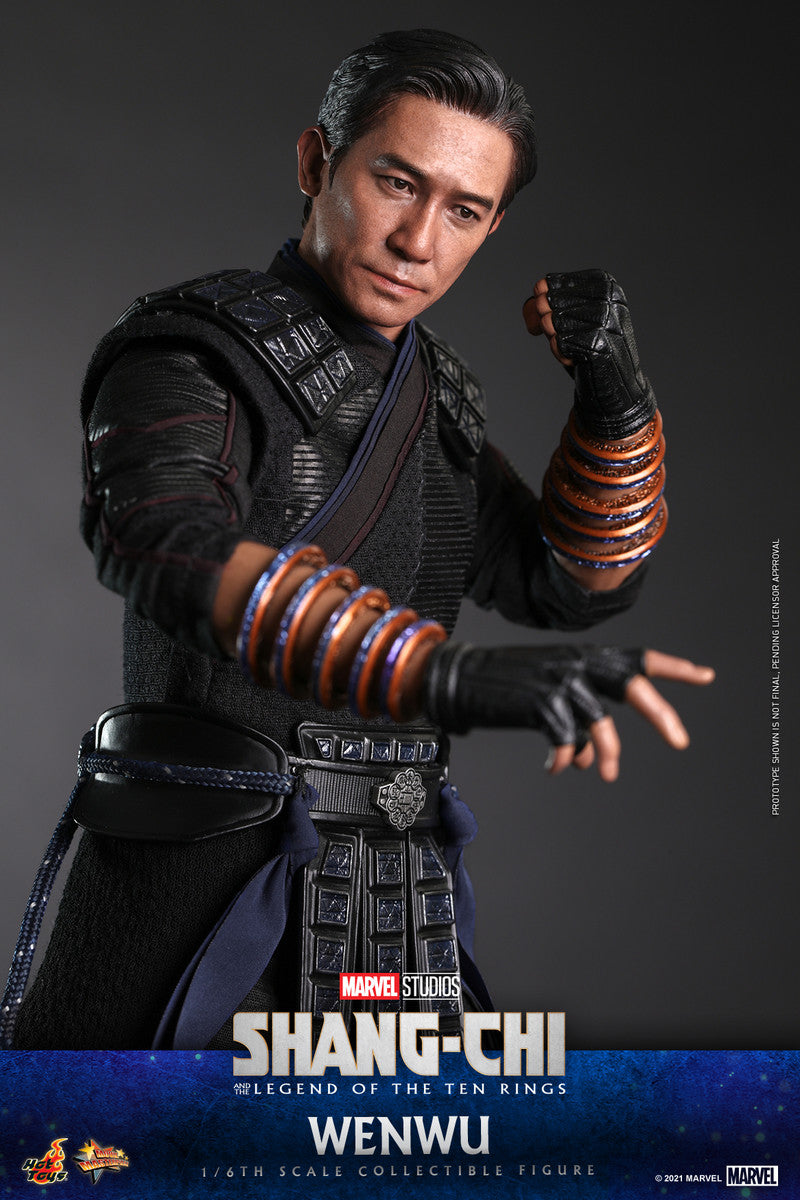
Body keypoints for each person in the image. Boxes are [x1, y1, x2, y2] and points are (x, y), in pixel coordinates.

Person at [6, 29, 712, 1051]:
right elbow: (162, 543)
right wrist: (446, 678)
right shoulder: (191, 351)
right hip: (199, 888)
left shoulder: (434, 399)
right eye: (396, 182)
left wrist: (615, 406)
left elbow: (563, 583)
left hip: (391, 886)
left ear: (491, 226)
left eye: (462, 210)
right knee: (124, 1133)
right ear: (315, 163)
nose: (418, 240)